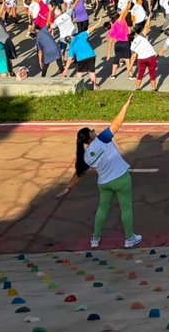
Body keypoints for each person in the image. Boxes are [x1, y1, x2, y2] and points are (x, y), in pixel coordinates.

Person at [55, 94, 142, 249]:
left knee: (102, 209)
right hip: (121, 179)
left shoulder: (86, 156)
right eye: (91, 130)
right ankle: (129, 238)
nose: (94, 130)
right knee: (126, 209)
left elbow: (79, 174)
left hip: (104, 184)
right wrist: (126, 105)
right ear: (90, 136)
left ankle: (95, 239)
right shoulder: (103, 139)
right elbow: (117, 123)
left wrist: (68, 187)